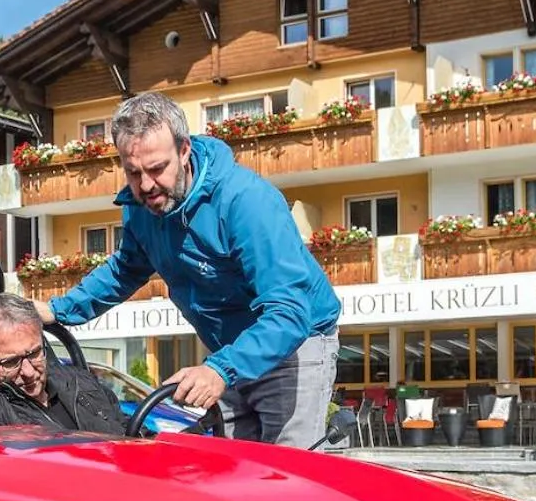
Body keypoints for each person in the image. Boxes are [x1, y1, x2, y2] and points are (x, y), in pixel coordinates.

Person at [36, 92, 340, 447]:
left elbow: (289, 312)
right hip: (228, 350)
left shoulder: (245, 201)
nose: (146, 185)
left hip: (294, 344)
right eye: (133, 172)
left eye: (156, 169)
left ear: (184, 151)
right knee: (231, 470)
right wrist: (57, 311)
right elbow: (126, 269)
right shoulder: (142, 208)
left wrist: (220, 369)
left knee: (291, 473)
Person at [0, 293, 128, 434]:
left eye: (34, 353)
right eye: (11, 362)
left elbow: (132, 431)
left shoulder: (79, 380)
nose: (28, 371)